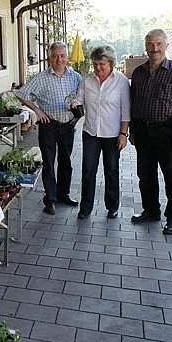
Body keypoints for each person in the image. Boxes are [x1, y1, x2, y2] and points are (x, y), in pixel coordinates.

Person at [130, 29, 172, 235]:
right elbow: (134, 104)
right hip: (143, 131)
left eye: (158, 44)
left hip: (168, 133)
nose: (154, 48)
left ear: (166, 46)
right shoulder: (139, 73)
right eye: (150, 44)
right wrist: (133, 131)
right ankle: (151, 211)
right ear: (146, 47)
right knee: (145, 176)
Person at [16, 41, 82, 215]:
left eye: (62, 55)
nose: (59, 59)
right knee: (49, 164)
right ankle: (50, 200)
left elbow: (84, 96)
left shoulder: (75, 77)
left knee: (66, 162)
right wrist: (37, 110)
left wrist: (78, 115)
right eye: (55, 56)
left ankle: (63, 195)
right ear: (49, 58)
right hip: (49, 126)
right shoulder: (41, 78)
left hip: (68, 125)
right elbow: (21, 93)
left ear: (67, 57)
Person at [71, 45, 130, 220]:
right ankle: (85, 207)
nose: (97, 67)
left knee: (111, 170)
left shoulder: (121, 81)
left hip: (112, 134)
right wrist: (74, 105)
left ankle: (112, 206)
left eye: (101, 64)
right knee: (88, 170)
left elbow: (126, 110)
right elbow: (79, 99)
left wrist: (123, 134)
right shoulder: (87, 80)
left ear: (110, 63)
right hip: (91, 132)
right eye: (95, 64)